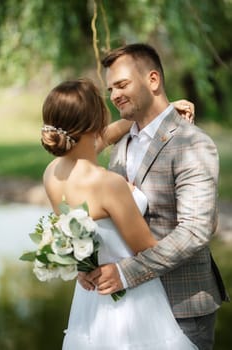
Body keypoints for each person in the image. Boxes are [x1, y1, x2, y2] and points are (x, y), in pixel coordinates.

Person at [79, 43, 229, 350]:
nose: (115, 95)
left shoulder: (191, 143)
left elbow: (195, 231)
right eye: (110, 89)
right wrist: (87, 262)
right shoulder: (120, 144)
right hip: (129, 308)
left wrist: (124, 273)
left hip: (181, 307)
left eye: (122, 85)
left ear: (153, 80)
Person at [41, 79, 198, 349]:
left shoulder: (52, 174)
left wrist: (163, 111)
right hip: (133, 305)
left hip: (90, 301)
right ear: (97, 120)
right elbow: (148, 251)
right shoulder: (108, 184)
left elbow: (105, 136)